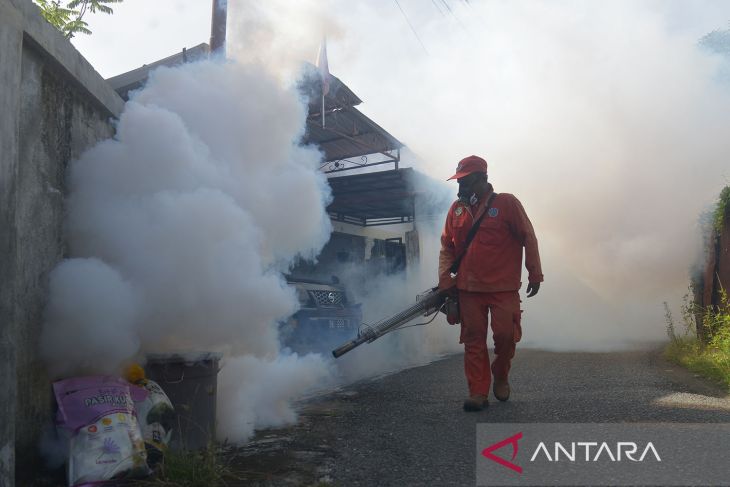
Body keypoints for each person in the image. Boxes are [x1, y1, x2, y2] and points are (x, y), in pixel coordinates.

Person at [438, 155, 543, 412]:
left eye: (466, 181)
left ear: (483, 179)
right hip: (468, 289)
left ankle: (501, 374)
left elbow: (528, 236)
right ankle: (478, 392)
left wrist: (535, 273)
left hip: (502, 288)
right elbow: (447, 247)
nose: (460, 187)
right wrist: (444, 278)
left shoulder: (506, 203)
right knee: (474, 339)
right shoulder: (457, 210)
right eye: (458, 181)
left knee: (505, 337)